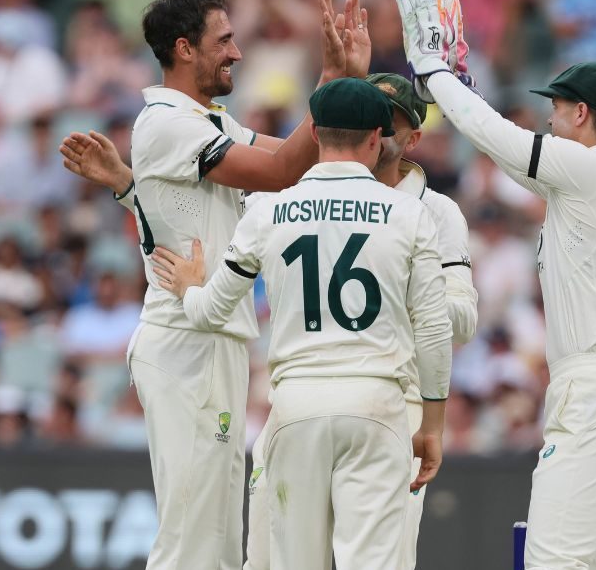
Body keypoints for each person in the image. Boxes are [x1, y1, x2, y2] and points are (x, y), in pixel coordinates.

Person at [58, 0, 369, 569]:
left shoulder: (205, 120)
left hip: (211, 338)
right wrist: (329, 77)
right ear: (184, 49)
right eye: (223, 40)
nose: (237, 53)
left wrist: (343, 82)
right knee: (191, 543)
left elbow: (308, 159)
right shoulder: (168, 124)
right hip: (186, 343)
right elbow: (280, 171)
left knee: (219, 544)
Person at [398, 0, 596, 570]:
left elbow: (503, 139)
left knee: (550, 562)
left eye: (557, 107)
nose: (549, 115)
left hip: (595, 392)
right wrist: (460, 87)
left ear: (582, 113)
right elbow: (501, 151)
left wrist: (433, 73)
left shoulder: (592, 172)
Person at [149, 77, 453, 570]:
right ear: (376, 139)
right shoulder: (410, 213)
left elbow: (208, 312)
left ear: (314, 134)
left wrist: (188, 287)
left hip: (296, 405)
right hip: (377, 402)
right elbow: (436, 330)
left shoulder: (267, 210)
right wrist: (433, 425)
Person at [243, 73, 478, 570]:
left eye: (391, 121)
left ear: (412, 137)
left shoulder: (436, 211)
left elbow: (461, 321)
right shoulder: (299, 198)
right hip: (301, 392)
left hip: (397, 398)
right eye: (371, 115)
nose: (379, 128)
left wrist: (408, 293)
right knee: (265, 554)